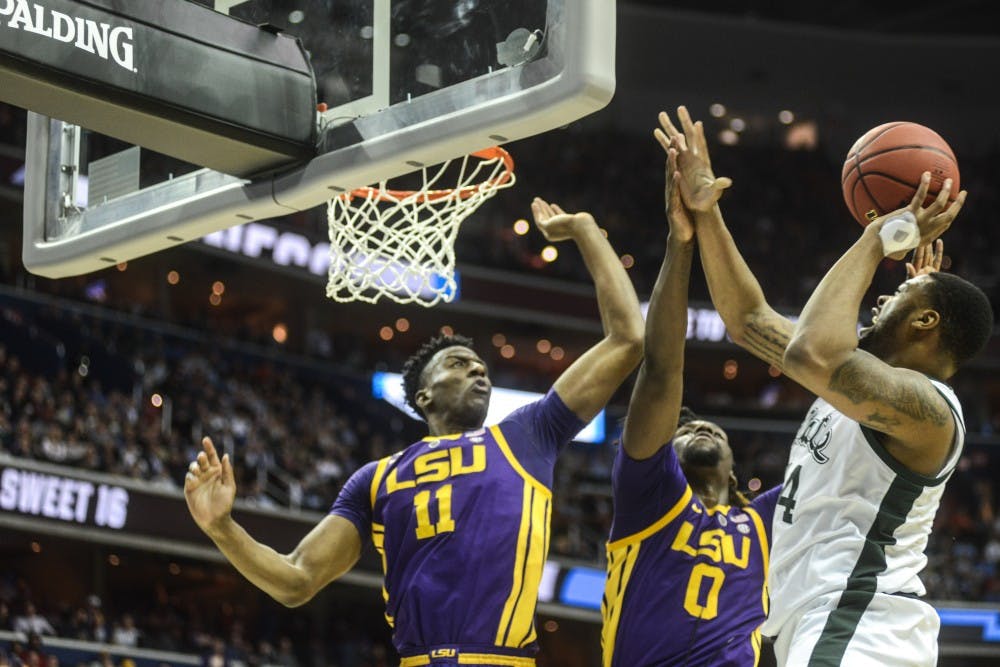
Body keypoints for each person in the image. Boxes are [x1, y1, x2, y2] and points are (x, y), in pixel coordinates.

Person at [183, 197, 644, 667]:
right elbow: (297, 579)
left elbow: (628, 338)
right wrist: (222, 528)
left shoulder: (527, 435)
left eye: (481, 367)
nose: (478, 372)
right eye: (460, 364)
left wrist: (586, 228)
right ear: (423, 396)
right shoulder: (375, 479)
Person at [658, 106, 994, 666]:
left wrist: (880, 237)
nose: (880, 296)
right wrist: (706, 212)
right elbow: (747, 321)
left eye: (899, 299)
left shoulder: (931, 413)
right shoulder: (859, 389)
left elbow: (812, 349)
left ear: (926, 325)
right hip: (835, 625)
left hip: (860, 627)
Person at [601, 129, 780, 667]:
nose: (700, 428)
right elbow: (660, 372)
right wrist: (681, 242)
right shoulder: (648, 495)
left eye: (713, 431)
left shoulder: (767, 520)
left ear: (733, 468)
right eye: (684, 431)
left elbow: (856, 428)